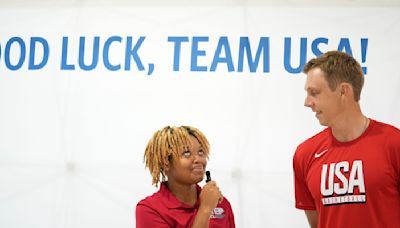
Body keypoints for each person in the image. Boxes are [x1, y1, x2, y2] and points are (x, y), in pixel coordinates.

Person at [293, 51, 400, 228]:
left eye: (314, 92)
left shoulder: (394, 145)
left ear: (343, 91)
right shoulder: (305, 154)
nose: (307, 102)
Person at [136, 126, 236, 228]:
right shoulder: (149, 209)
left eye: (201, 152)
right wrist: (205, 209)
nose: (198, 159)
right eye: (186, 153)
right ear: (165, 163)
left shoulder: (221, 204)